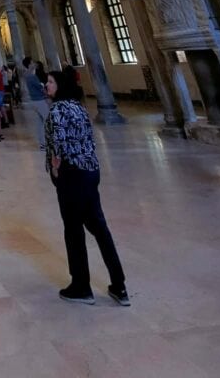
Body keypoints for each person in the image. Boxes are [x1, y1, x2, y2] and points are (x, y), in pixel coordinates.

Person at [44, 68, 129, 307]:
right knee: (100, 229)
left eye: (50, 82)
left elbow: (58, 145)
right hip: (90, 172)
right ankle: (119, 286)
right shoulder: (79, 108)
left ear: (60, 86)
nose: (46, 85)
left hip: (71, 175)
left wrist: (56, 168)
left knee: (73, 231)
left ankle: (81, 286)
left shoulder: (58, 110)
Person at [23, 56, 50, 150]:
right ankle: (48, 141)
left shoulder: (28, 74)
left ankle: (42, 142)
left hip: (35, 99)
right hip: (39, 99)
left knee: (40, 122)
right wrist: (43, 87)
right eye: (32, 62)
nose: (34, 64)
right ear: (29, 65)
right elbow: (39, 87)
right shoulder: (31, 76)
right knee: (47, 120)